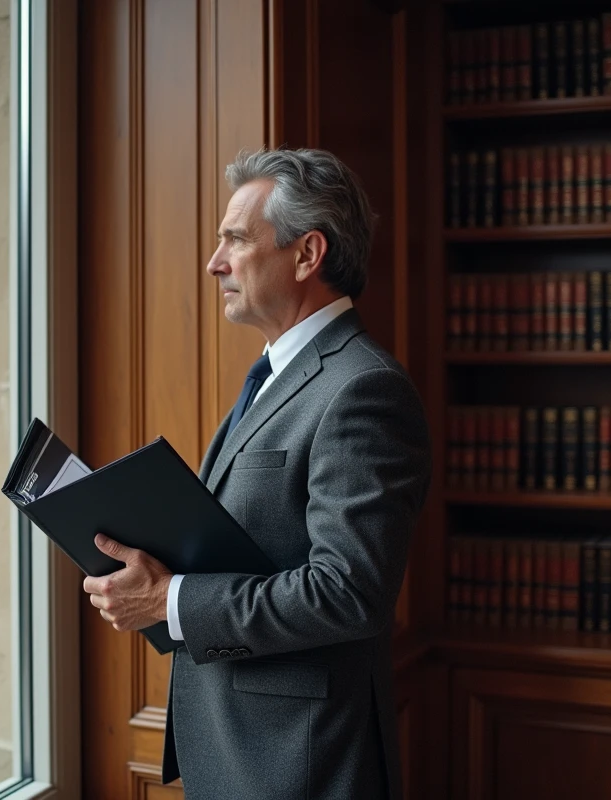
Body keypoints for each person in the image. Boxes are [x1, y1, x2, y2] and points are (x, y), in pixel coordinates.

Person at [81, 147, 432, 799]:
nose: (215, 263)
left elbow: (349, 591)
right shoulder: (278, 376)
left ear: (307, 255)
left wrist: (170, 600)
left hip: (299, 764)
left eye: (236, 239)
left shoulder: (365, 389)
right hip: (240, 748)